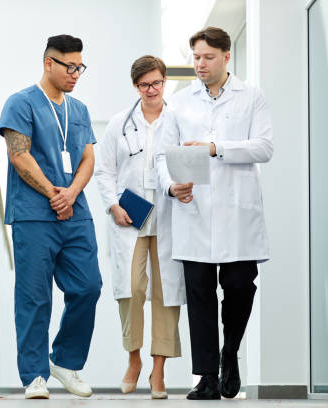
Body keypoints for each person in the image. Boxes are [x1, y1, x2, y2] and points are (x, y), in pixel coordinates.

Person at [155, 26, 273, 400]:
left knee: (240, 286)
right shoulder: (180, 101)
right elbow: (162, 155)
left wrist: (215, 147)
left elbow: (264, 147)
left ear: (226, 56)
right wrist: (171, 186)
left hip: (238, 213)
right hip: (194, 210)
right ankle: (205, 375)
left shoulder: (251, 96)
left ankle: (230, 352)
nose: (200, 64)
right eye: (196, 58)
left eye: (208, 57)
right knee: (200, 295)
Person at [0, 34, 101, 400]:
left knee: (88, 287)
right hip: (34, 215)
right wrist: (53, 194)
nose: (76, 74)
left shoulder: (80, 110)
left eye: (80, 67)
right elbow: (18, 154)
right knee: (34, 297)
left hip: (75, 214)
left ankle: (65, 362)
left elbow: (88, 158)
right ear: (49, 63)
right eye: (70, 66)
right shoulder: (20, 103)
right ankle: (34, 375)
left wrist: (71, 193)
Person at [94, 55, 185, 399]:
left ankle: (158, 371)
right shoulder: (119, 123)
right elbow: (104, 171)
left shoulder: (177, 121)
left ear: (165, 82)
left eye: (157, 83)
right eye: (144, 84)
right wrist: (112, 205)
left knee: (167, 295)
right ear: (136, 86)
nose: (151, 90)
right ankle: (133, 358)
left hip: (169, 216)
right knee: (131, 289)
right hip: (130, 219)